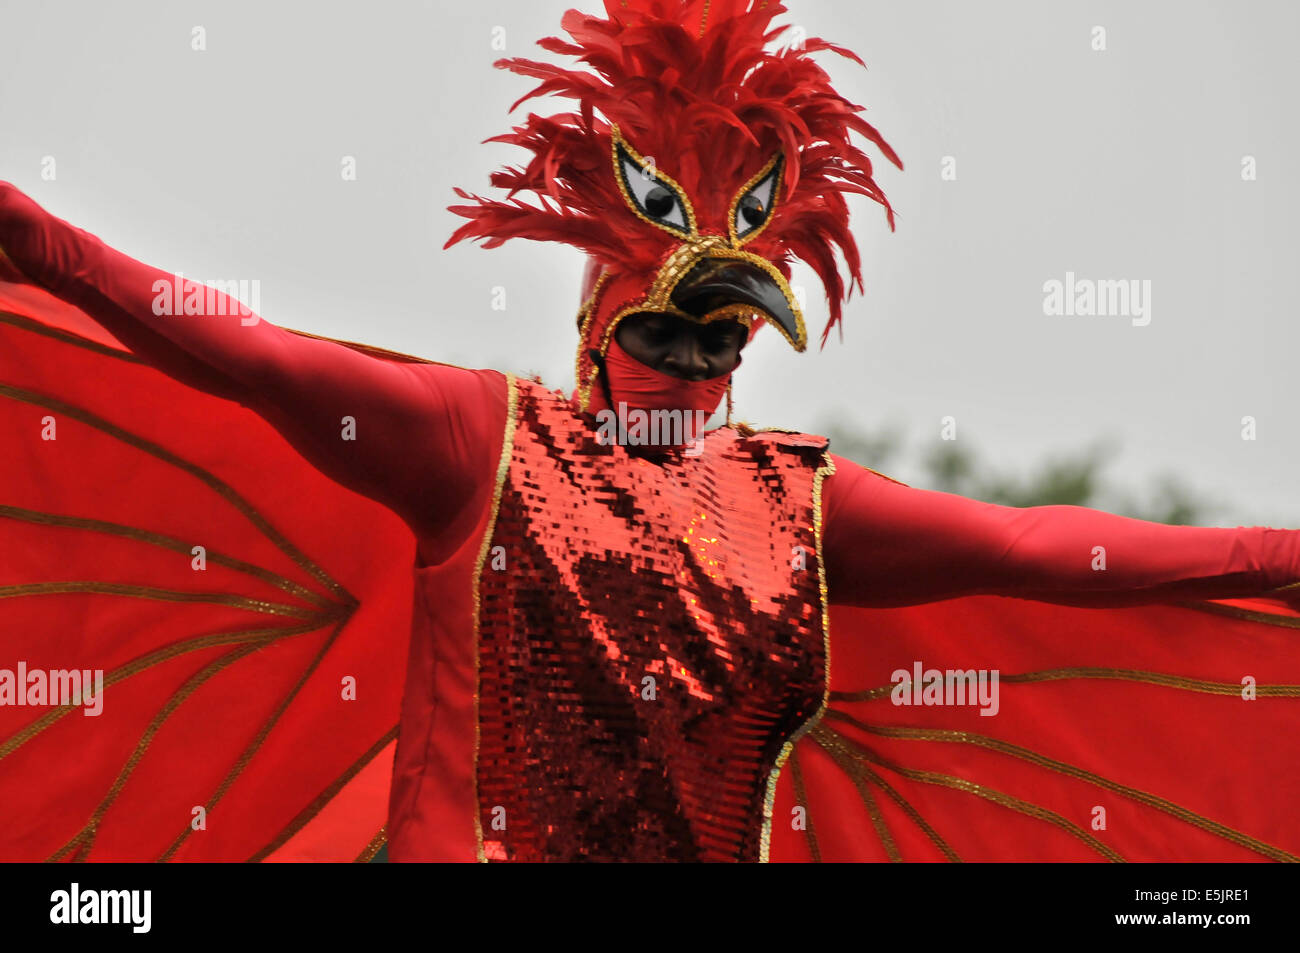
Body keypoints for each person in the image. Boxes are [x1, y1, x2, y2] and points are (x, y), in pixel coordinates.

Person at [1, 0, 1297, 863]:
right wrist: (43, 245)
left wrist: (1272, 552)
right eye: (665, 338)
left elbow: (1034, 546)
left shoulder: (796, 509)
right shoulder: (477, 445)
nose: (690, 370)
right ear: (597, 330)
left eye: (721, 348)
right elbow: (248, 357)